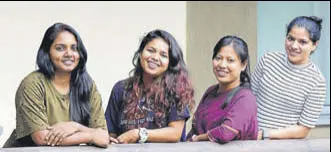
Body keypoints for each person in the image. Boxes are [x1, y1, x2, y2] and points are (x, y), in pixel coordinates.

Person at [4, 23, 109, 148]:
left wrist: (75, 126)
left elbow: (103, 136)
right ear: (47, 52)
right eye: (60, 48)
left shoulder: (87, 85)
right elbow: (42, 138)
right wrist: (91, 136)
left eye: (74, 48)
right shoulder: (32, 84)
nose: (69, 53)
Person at [105, 29, 195, 144]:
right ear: (141, 53)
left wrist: (139, 134)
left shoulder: (176, 90)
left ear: (170, 62)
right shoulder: (120, 89)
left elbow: (175, 133)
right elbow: (110, 133)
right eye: (150, 50)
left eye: (163, 55)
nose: (155, 57)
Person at [251, 16, 326, 140]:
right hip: (249, 140)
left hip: (284, 145)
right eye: (290, 39)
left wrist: (264, 134)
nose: (294, 46)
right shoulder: (268, 60)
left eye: (302, 42)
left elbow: (303, 129)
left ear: (314, 45)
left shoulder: (316, 81)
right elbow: (248, 98)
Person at [186, 35, 258, 144]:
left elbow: (225, 133)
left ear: (243, 65)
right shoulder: (210, 92)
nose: (222, 65)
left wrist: (197, 139)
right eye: (218, 58)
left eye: (230, 60)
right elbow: (195, 128)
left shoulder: (245, 98)